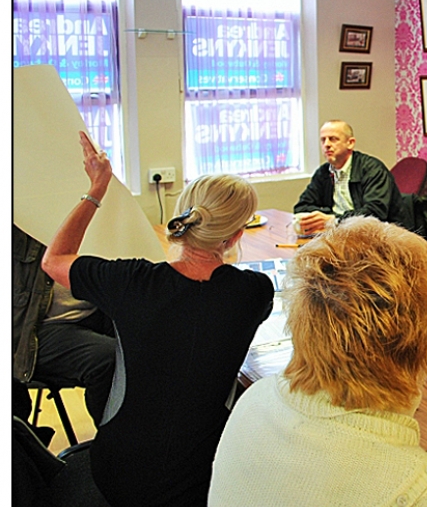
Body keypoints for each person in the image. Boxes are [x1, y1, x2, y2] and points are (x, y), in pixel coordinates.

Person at [209, 217, 427, 506]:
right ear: (412, 340)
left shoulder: (254, 399)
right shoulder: (411, 487)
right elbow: (391, 487)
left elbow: (340, 486)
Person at [40, 131, 274, 506]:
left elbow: (53, 261)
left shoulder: (131, 281)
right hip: (201, 476)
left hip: (116, 472)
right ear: (234, 236)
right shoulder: (254, 292)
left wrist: (97, 188)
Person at [13, 224, 116, 429]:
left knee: (154, 337)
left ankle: (158, 438)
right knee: (107, 358)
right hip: (35, 328)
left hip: (93, 310)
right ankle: (116, 446)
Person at [293, 120, 403, 234]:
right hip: (339, 234)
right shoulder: (324, 172)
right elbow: (301, 207)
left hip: (379, 236)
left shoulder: (373, 170)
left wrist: (335, 220)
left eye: (333, 139)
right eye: (323, 140)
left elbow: (375, 214)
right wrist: (329, 217)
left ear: (350, 143)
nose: (326, 145)